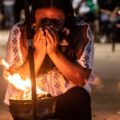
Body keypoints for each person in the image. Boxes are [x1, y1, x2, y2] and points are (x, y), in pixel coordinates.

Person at [4, 0, 94, 119]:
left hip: (66, 99)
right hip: (30, 102)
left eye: (56, 21)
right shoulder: (20, 32)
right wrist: (39, 53)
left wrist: (53, 52)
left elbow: (81, 79)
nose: (49, 25)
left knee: (79, 96)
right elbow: (18, 79)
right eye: (43, 20)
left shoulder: (80, 30)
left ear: (66, 16)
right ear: (34, 15)